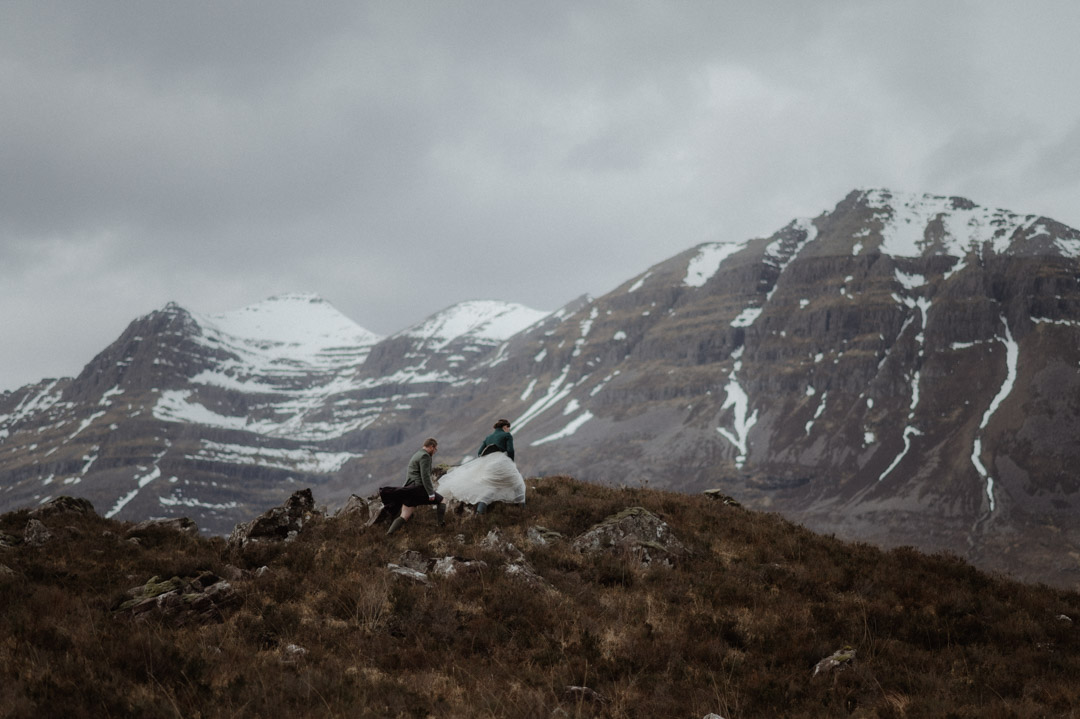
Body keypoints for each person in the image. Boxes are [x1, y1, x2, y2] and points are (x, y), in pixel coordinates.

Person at [440, 419, 525, 514]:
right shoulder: (507, 435)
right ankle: (523, 509)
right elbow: (510, 450)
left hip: (489, 466)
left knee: (491, 487)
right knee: (518, 484)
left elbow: (480, 453)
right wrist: (510, 463)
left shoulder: (488, 437)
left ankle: (480, 512)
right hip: (503, 463)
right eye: (508, 428)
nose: (509, 430)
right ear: (505, 427)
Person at [382, 438, 446, 535]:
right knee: (442, 500)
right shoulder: (425, 456)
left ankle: (389, 534)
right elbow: (425, 476)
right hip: (419, 488)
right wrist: (430, 493)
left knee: (405, 515)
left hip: (410, 489)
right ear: (432, 446)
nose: (435, 451)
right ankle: (441, 527)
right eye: (435, 449)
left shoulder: (416, 454)